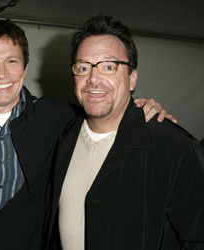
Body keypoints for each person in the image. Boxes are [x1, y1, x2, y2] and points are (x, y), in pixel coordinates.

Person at [0, 19, 174, 250]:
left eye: (11, 61)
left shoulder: (57, 116)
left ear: (25, 68)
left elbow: (101, 106)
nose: (1, 73)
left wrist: (140, 108)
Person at [48, 15, 204, 250]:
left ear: (132, 79)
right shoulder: (59, 137)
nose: (93, 78)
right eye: (83, 67)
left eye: (109, 67)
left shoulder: (175, 148)